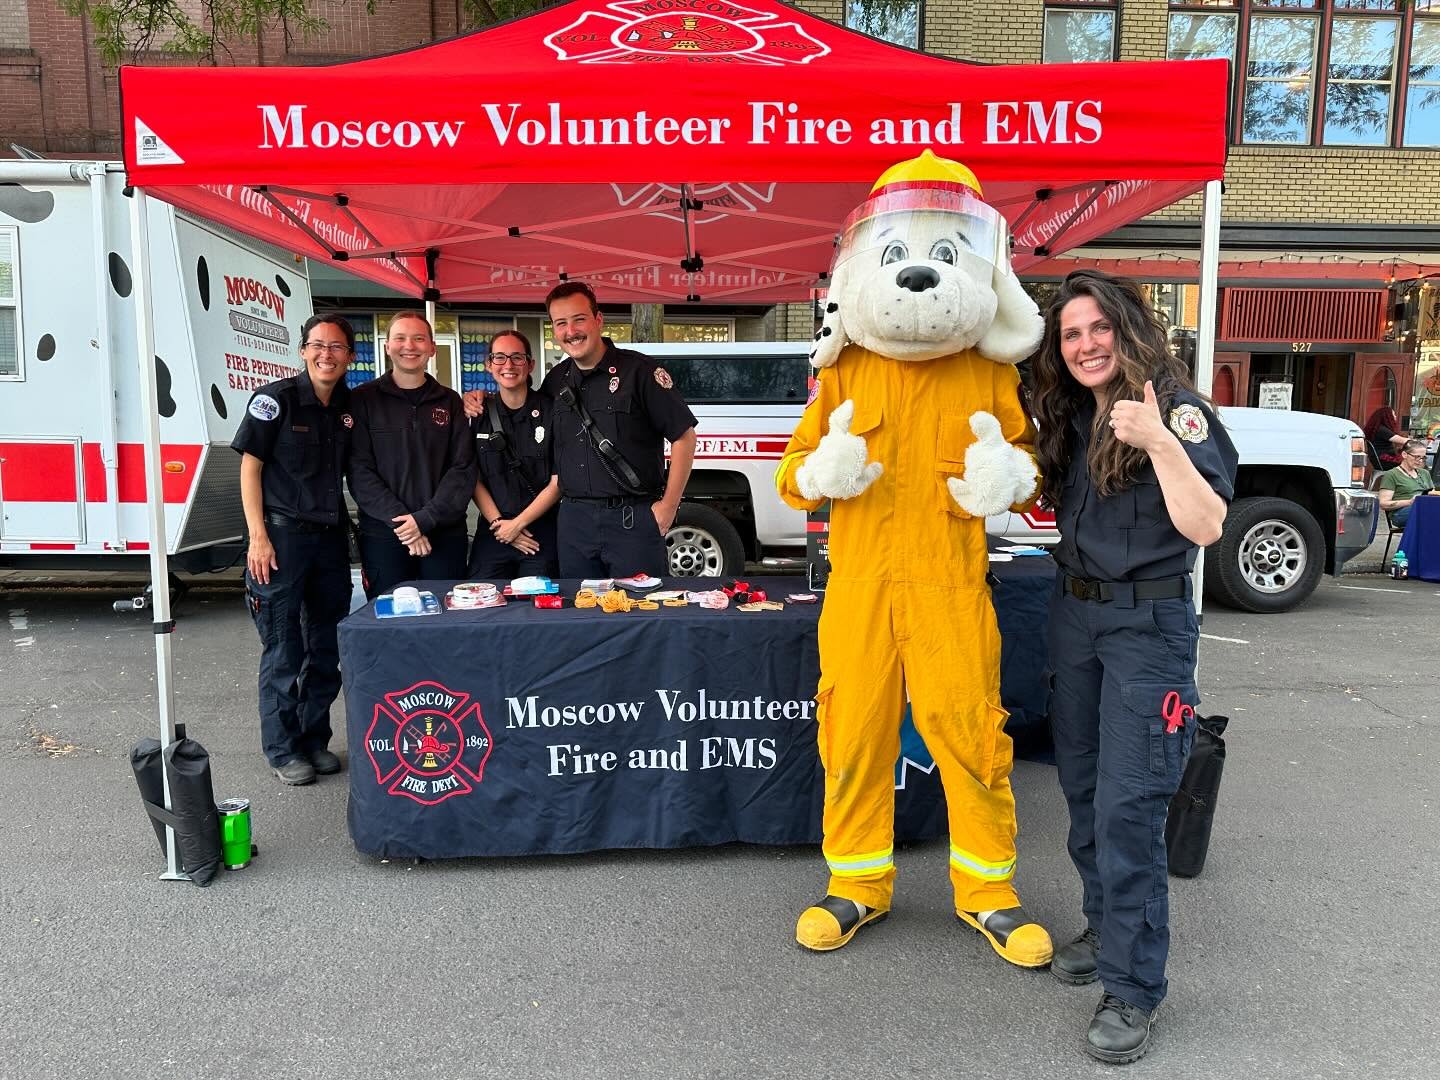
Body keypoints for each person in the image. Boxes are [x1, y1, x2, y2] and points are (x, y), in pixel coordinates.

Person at [1032, 269, 1238, 1065]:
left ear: (1126, 328)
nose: (1085, 344)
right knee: (1082, 789)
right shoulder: (1076, 414)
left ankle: (1133, 985)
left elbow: (1209, 524)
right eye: (1070, 333)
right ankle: (1105, 925)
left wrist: (1158, 443)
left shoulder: (1173, 408)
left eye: (1097, 328)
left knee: (1128, 806)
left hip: (1146, 625)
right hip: (1075, 616)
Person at [231, 313, 356, 786]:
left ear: (348, 356)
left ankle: (313, 739)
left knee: (325, 647)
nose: (327, 354)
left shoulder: (347, 406)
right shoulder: (274, 400)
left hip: (328, 542)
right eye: (318, 345)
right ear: (303, 351)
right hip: (279, 540)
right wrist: (257, 537)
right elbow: (250, 470)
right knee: (284, 647)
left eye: (337, 346)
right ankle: (283, 750)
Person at [536, 282, 697, 577]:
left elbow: (684, 437)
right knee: (582, 616)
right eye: (561, 323)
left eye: (579, 319)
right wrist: (480, 401)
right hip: (574, 523)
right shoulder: (556, 380)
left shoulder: (640, 372)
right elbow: (523, 412)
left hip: (632, 520)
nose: (571, 331)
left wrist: (669, 507)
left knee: (642, 615)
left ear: (598, 319)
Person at [348, 311, 476, 597]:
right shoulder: (362, 400)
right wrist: (404, 524)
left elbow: (462, 469)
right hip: (384, 537)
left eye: (419, 338)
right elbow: (359, 470)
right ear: (387, 346)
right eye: (400, 338)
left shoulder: (450, 401)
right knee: (389, 625)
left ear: (432, 347)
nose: (410, 346)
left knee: (446, 622)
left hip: (443, 535)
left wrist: (424, 519)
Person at [467, 331, 561, 577]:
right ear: (489, 365)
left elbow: (558, 481)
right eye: (499, 357)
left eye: (517, 357)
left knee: (538, 608)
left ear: (530, 364)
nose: (508, 365)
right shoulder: (478, 414)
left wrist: (517, 526)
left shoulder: (552, 412)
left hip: (540, 535)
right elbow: (473, 479)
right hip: (493, 531)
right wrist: (501, 526)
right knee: (484, 606)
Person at [1377, 438, 1436, 529]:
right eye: (1417, 457)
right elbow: (1383, 503)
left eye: (1423, 457)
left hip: (1424, 508)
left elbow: (1432, 494)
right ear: (1404, 454)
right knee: (1431, 512)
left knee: (1432, 511)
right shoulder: (1391, 475)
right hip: (1401, 512)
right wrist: (1410, 502)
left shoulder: (1424, 473)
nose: (1420, 461)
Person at [1365, 406, 1406, 471]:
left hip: (1380, 460)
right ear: (1387, 417)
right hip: (1386, 461)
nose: (1395, 417)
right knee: (1412, 461)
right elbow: (1403, 441)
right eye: (1393, 415)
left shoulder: (1378, 428)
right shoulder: (1381, 430)